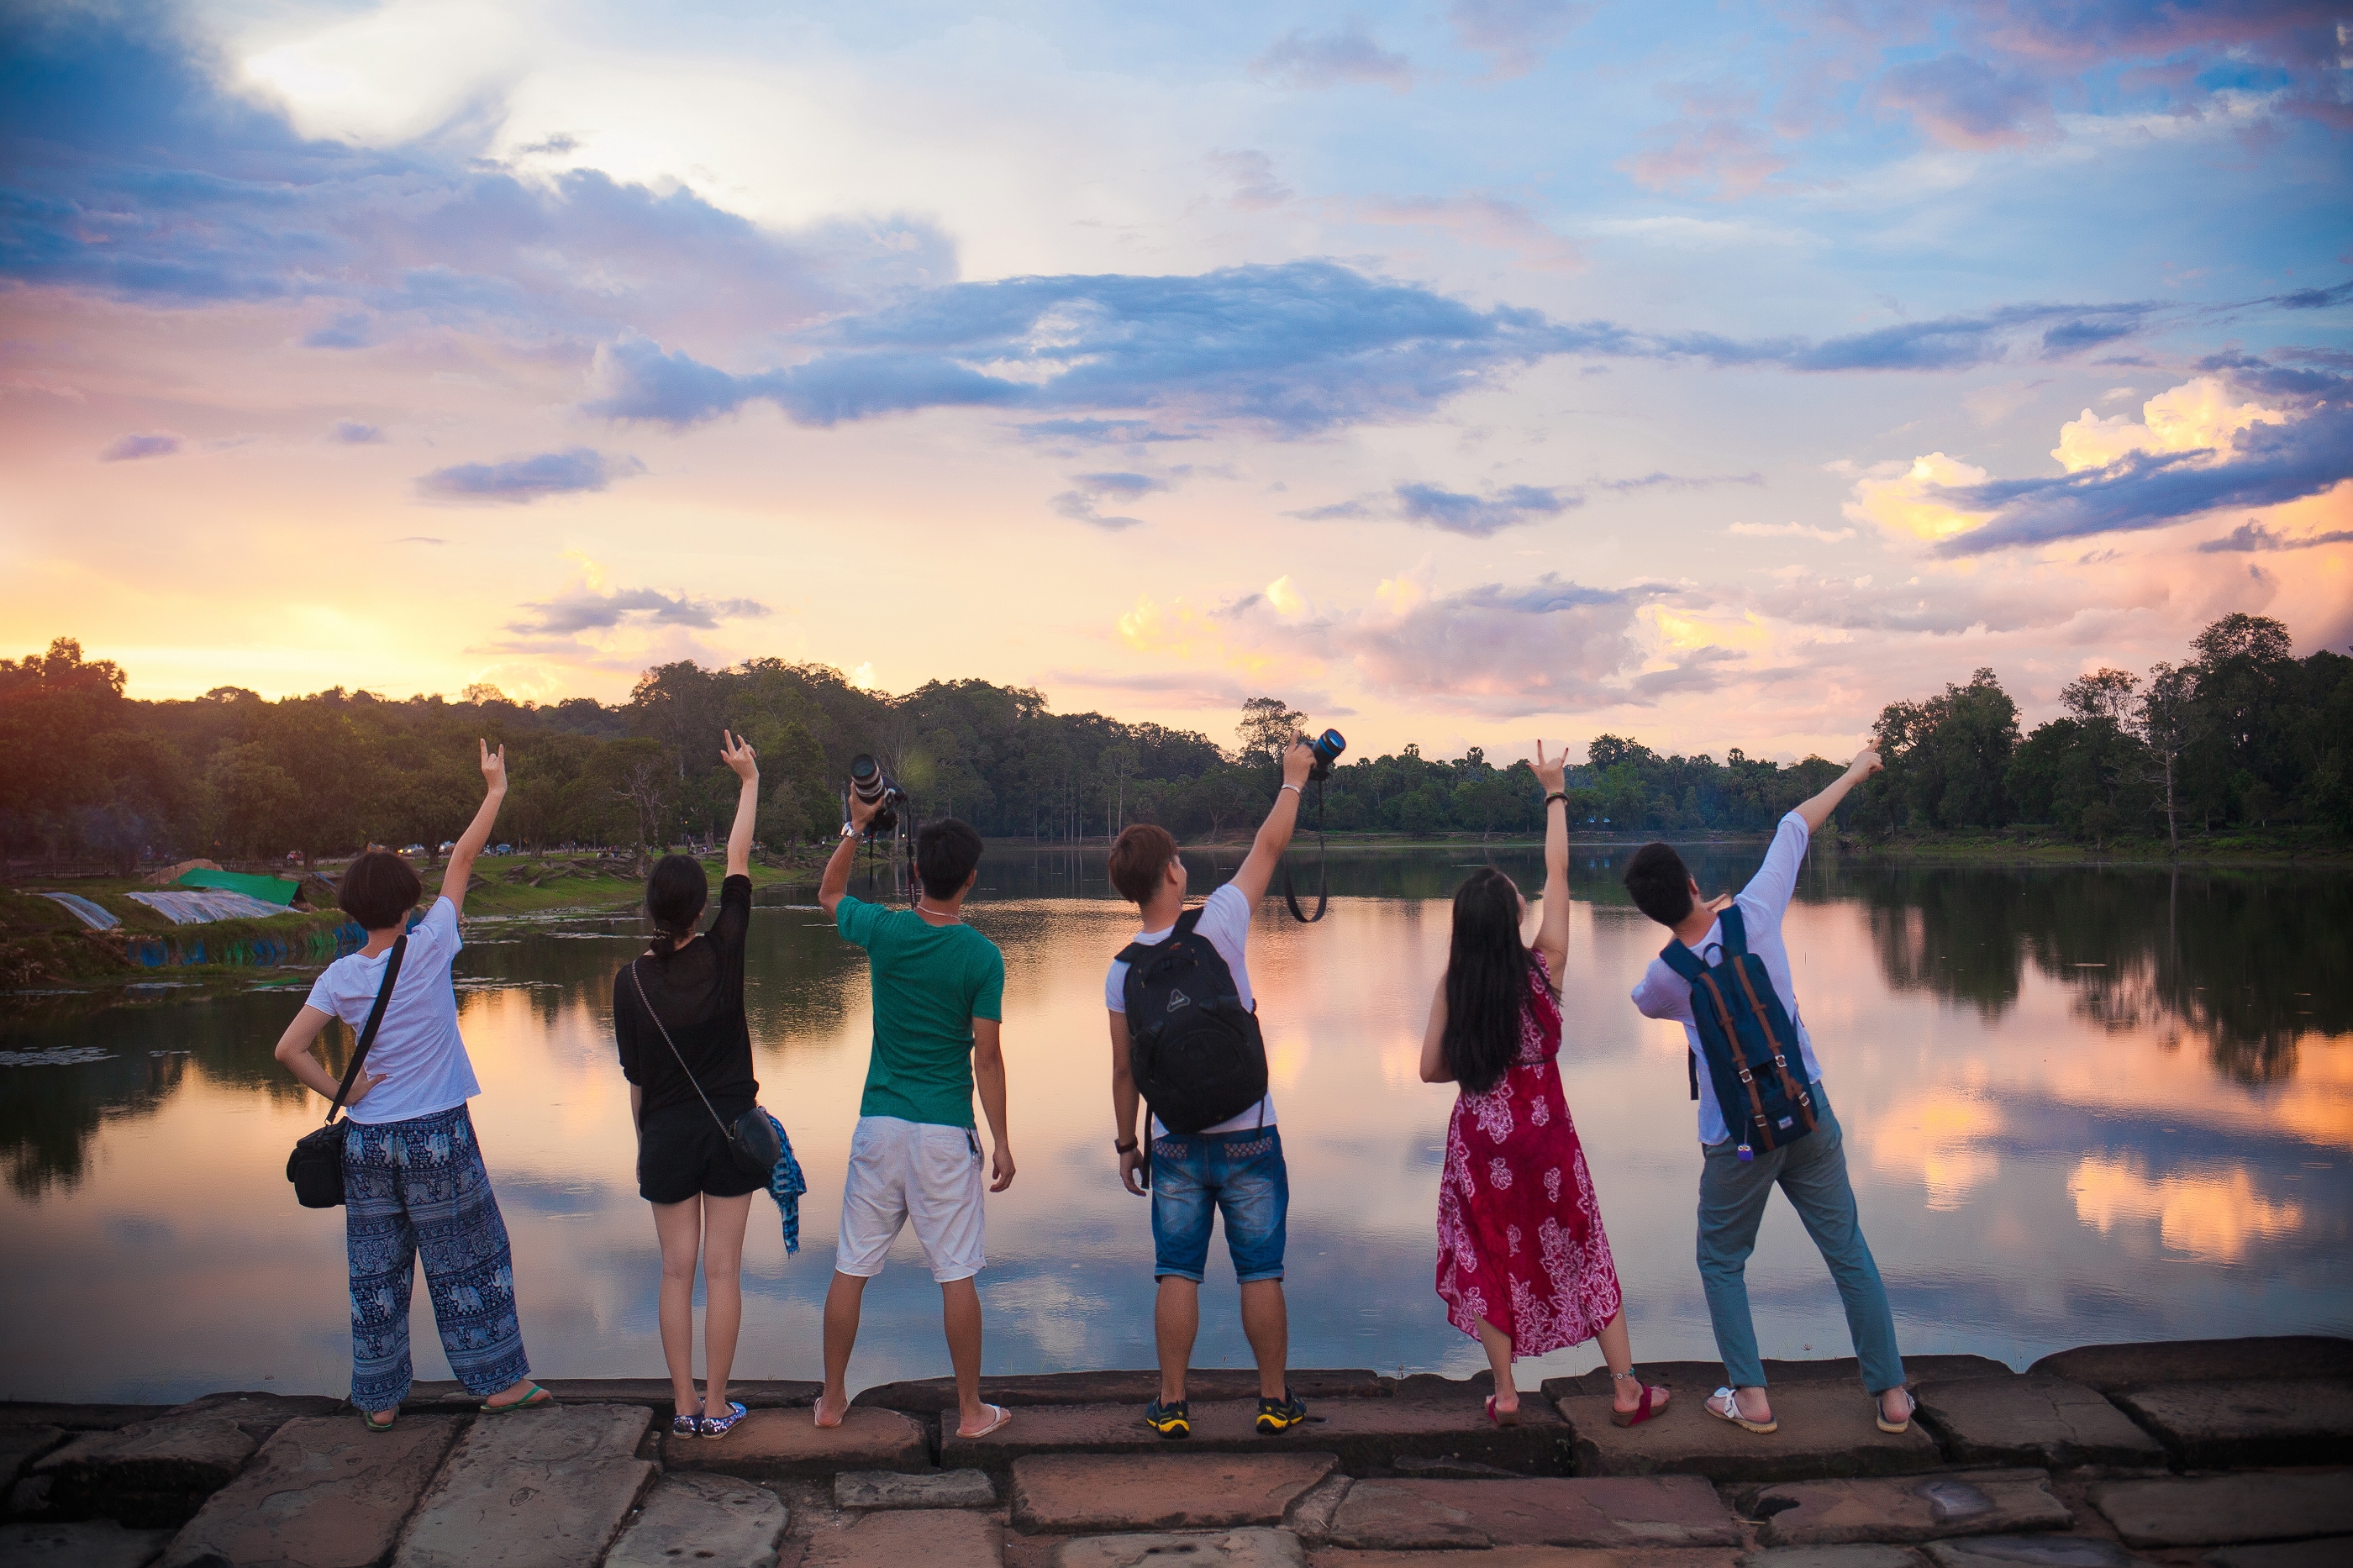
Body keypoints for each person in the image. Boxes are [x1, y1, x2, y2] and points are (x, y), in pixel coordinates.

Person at [1626, 746, 1913, 1436]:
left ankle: (1751, 1400)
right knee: (1847, 1250)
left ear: (1648, 911)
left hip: (1738, 1142)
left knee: (1722, 1261)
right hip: (1808, 1110)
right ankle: (1894, 1398)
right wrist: (1853, 771)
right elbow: (1796, 824)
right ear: (1694, 882)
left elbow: (1642, 1001)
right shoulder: (1754, 913)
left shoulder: (1665, 978)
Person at [273, 740, 550, 1429]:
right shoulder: (431, 946)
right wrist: (493, 790)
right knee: (470, 1259)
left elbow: (287, 1049)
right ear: (408, 903)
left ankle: (380, 1399)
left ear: (351, 910)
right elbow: (462, 858)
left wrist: (347, 1091)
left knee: (378, 1271)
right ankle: (498, 1383)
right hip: (438, 1137)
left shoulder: (339, 978)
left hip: (368, 1144)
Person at [1420, 742, 1672, 1428]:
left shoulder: (1456, 983)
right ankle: (1625, 1390)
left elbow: (1429, 1069)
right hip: (1546, 1138)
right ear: (1511, 921)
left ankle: (1505, 1393)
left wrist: (1482, 1068)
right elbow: (1558, 870)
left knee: (1488, 1252)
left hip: (1481, 1141)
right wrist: (1554, 794)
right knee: (1580, 1244)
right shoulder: (1543, 970)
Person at [1105, 738, 1315, 1442]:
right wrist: (1293, 778)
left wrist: (1126, 1144)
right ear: (1171, 871)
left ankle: (1171, 1403)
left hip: (1175, 1142)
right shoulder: (1219, 921)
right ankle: (1273, 1400)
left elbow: (1125, 1070)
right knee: (1261, 1271)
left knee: (1177, 1274)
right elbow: (1269, 845)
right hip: (1252, 1129)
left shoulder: (1121, 970)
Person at [812, 799, 1014, 1439]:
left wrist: (855, 826)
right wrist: (1003, 1139)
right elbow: (987, 1056)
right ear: (971, 878)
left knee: (853, 1265)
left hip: (880, 1126)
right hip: (943, 1133)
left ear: (917, 873)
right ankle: (972, 1411)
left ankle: (832, 1400)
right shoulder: (982, 957)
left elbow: (830, 892)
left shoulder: (886, 932)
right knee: (956, 1272)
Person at [612, 730, 762, 1439]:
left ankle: (680, 1408)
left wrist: (646, 1144)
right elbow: (738, 859)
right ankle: (717, 1405)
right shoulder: (725, 952)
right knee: (723, 1273)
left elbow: (636, 1079)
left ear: (651, 910)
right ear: (700, 910)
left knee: (677, 1274)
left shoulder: (631, 980)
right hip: (731, 1131)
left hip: (667, 1135)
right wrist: (748, 782)